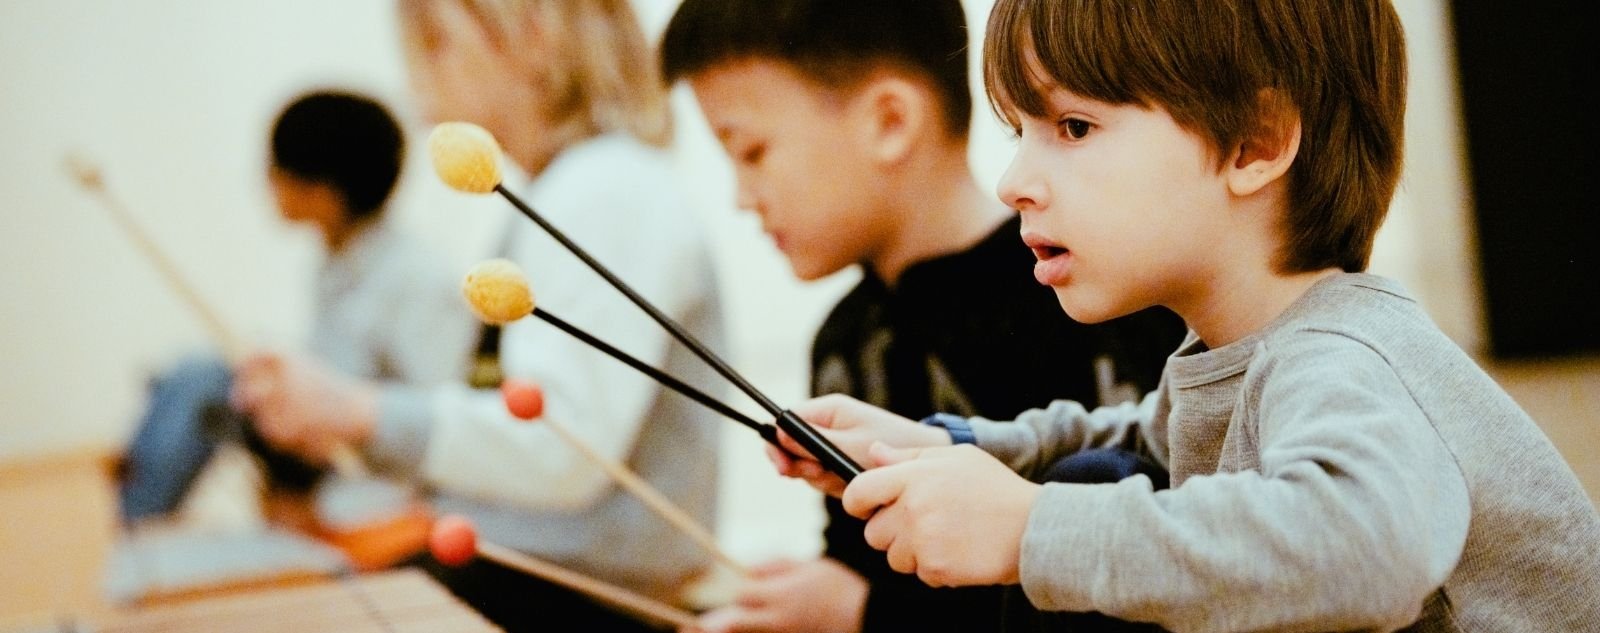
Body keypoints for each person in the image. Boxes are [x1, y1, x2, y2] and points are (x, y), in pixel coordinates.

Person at [766, 0, 1600, 630]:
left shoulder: (1344, 357)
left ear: (1254, 144)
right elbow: (1143, 435)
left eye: (1073, 126)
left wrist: (1030, 528)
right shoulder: (1238, 349)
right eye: (1020, 131)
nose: (1014, 180)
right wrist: (950, 449)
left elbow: (1368, 549)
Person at [660, 2, 1186, 631]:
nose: (741, 198)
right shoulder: (844, 340)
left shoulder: (1093, 295)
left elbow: (1142, 567)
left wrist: (865, 612)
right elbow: (859, 562)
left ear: (890, 121)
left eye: (752, 152)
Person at [231, 1, 727, 631]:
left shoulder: (605, 188)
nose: (419, 91)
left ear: (535, 34)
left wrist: (355, 411)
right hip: (535, 577)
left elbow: (560, 448)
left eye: (436, 44)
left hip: (587, 599)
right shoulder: (570, 189)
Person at [115, 89, 473, 526]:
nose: (266, 180)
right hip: (323, 440)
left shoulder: (417, 276)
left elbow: (440, 411)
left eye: (275, 167)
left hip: (366, 470)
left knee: (202, 380)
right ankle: (136, 511)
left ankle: (135, 522)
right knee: (182, 377)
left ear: (322, 192)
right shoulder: (336, 260)